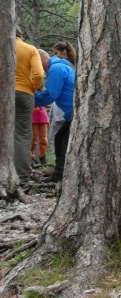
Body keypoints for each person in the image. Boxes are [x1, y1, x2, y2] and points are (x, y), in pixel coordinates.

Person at [35, 50, 75, 183]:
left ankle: (60, 174)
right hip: (71, 113)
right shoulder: (59, 67)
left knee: (63, 142)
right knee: (59, 138)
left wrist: (31, 98)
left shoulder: (56, 69)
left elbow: (51, 95)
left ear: (40, 59)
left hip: (74, 112)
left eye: (34, 62)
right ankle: (60, 170)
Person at [14, 26, 44, 184]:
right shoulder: (29, 49)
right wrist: (31, 88)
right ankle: (22, 177)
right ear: (20, 35)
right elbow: (39, 74)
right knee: (22, 135)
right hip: (24, 94)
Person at [47, 41, 77, 166]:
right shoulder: (73, 65)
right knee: (60, 137)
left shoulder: (60, 67)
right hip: (66, 105)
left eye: (56, 53)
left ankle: (59, 166)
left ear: (63, 52)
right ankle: (60, 167)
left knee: (57, 136)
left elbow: (54, 91)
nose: (54, 56)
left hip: (64, 107)